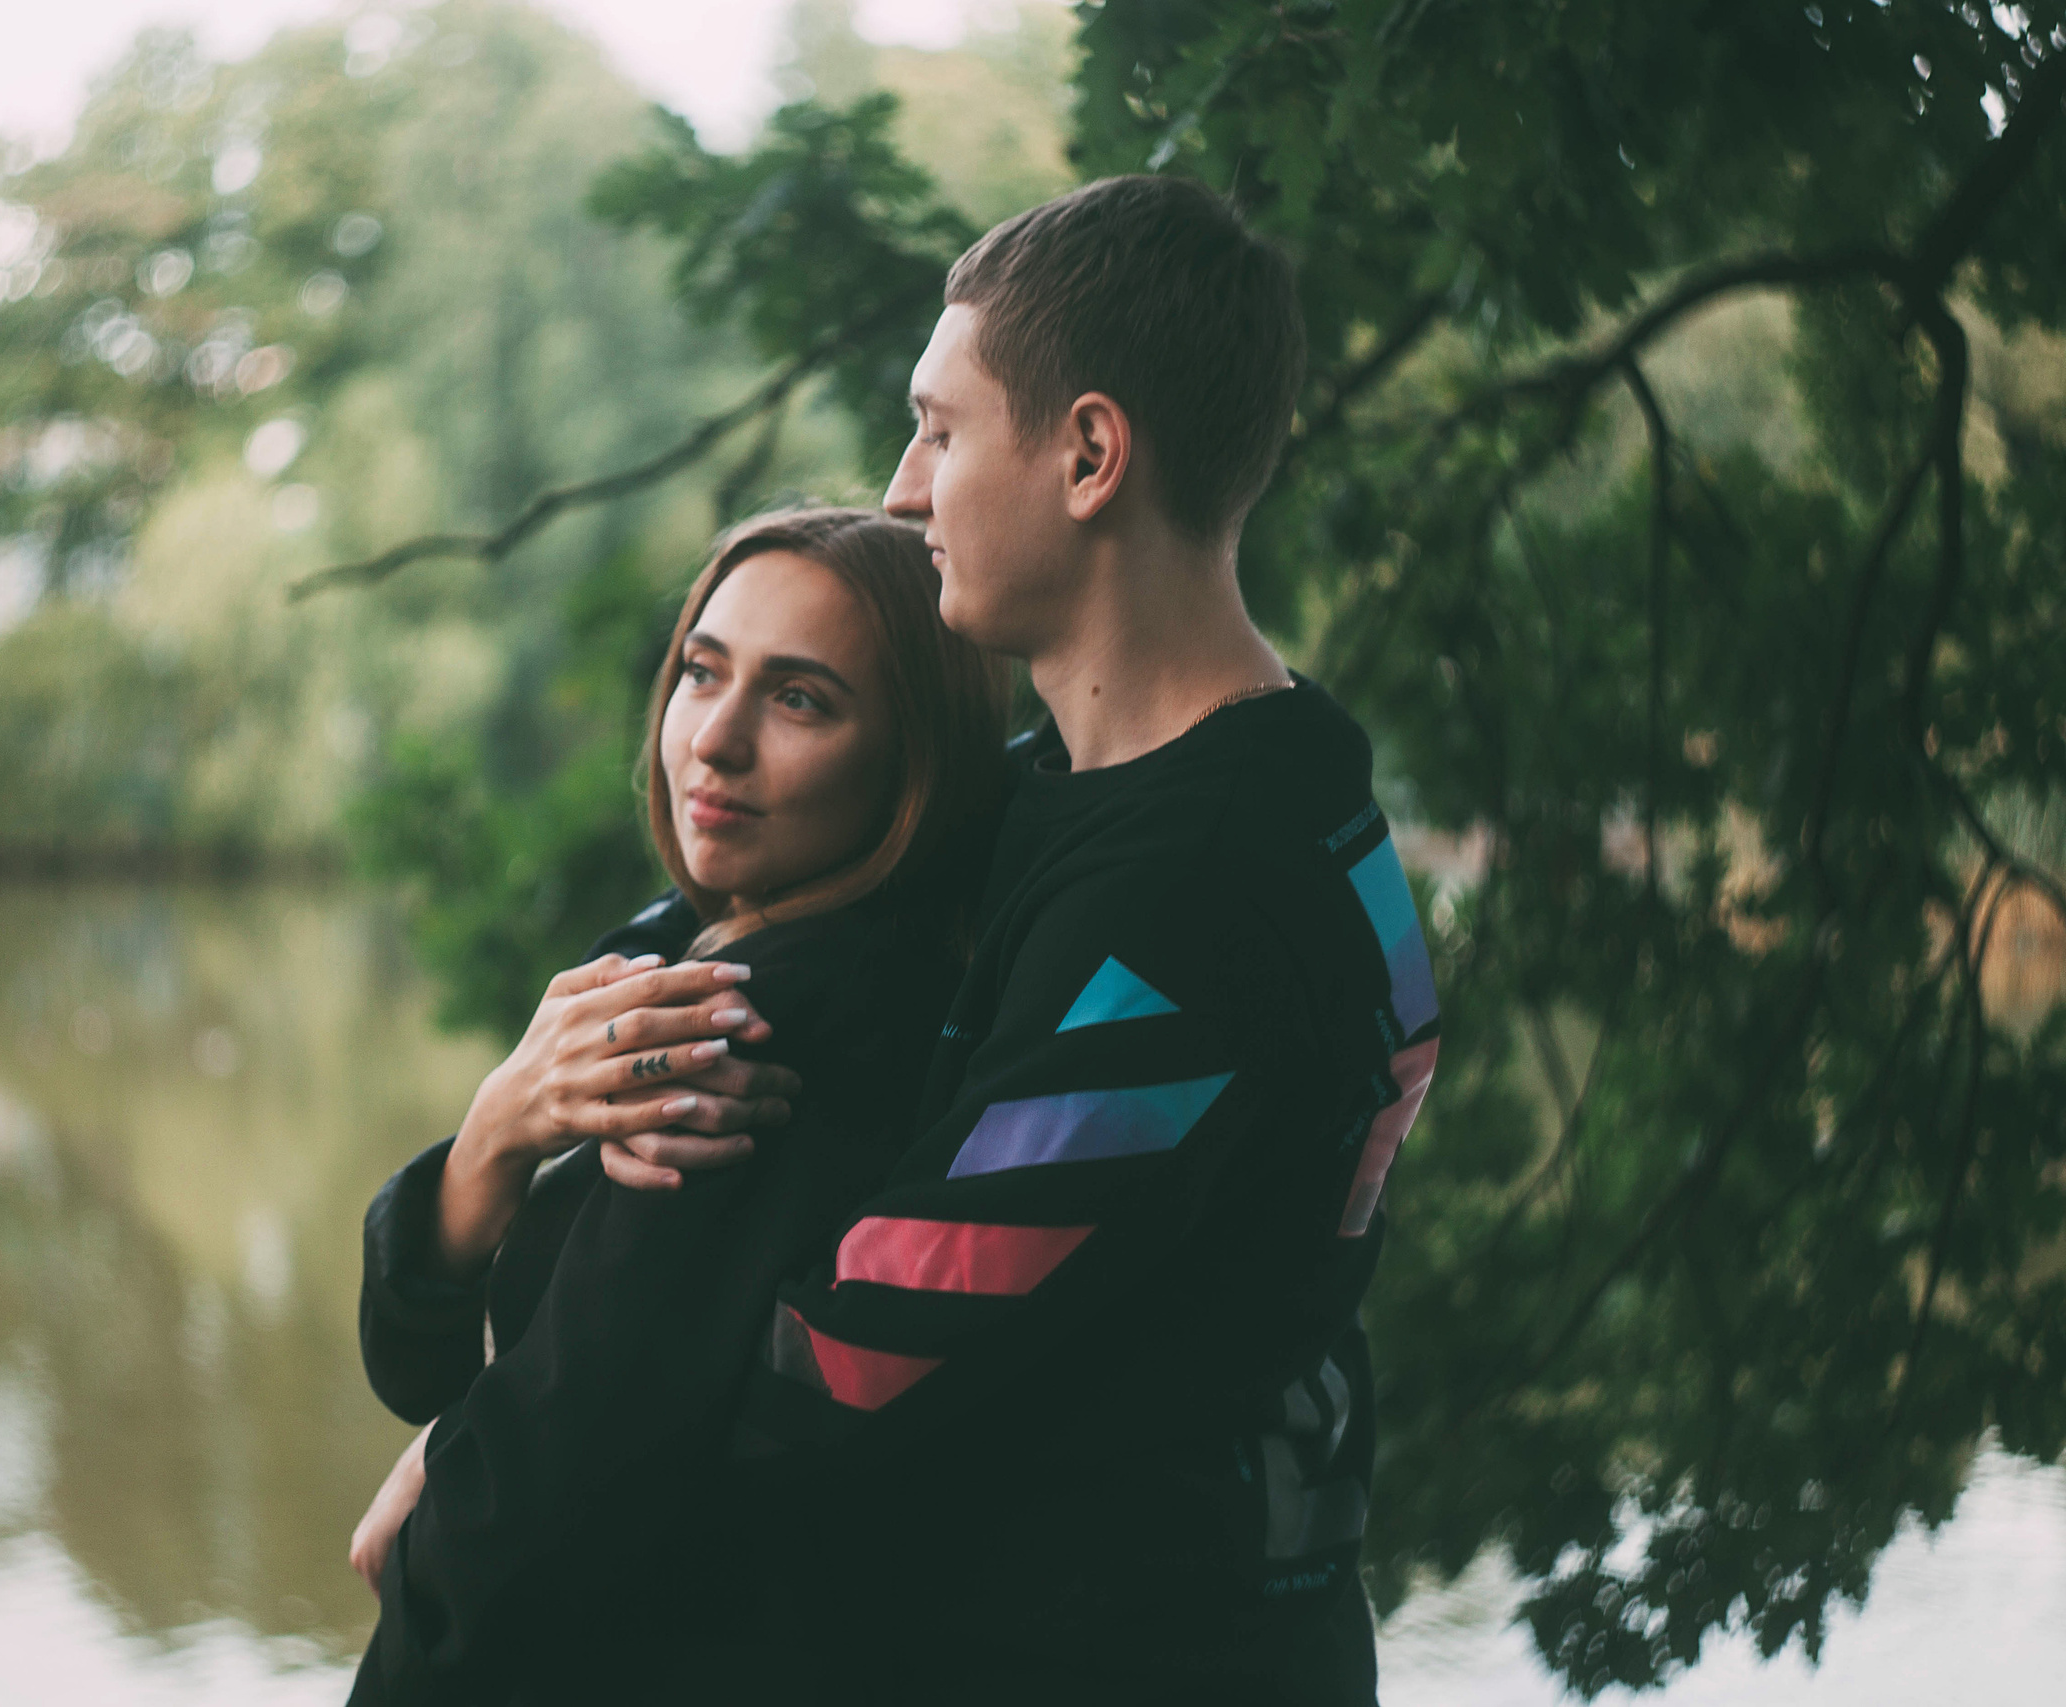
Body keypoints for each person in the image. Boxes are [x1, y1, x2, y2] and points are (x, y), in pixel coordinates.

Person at [586, 174, 1441, 1703]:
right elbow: (802, 904)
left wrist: (497, 1444)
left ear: (1091, 454)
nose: (904, 487)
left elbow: (853, 1358)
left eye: (942, 425)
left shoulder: (1195, 905)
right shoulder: (1188, 779)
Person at [347, 507, 1014, 1703]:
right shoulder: (677, 958)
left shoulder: (749, 1036)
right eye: (701, 673)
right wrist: (496, 1132)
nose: (714, 740)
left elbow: (544, 1525)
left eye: (800, 700)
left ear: (915, 759)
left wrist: (433, 1522)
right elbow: (423, 1367)